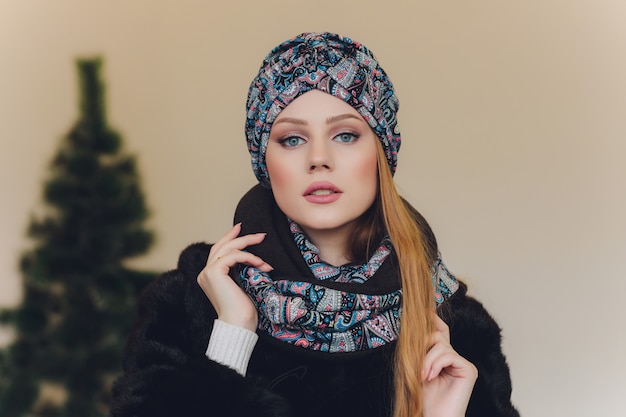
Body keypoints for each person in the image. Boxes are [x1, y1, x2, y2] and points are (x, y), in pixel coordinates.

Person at [111, 32, 519, 417]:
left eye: (345, 135)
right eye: (292, 139)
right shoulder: (190, 304)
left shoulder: (454, 327)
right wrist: (231, 338)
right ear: (265, 162)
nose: (318, 158)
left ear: (380, 155)